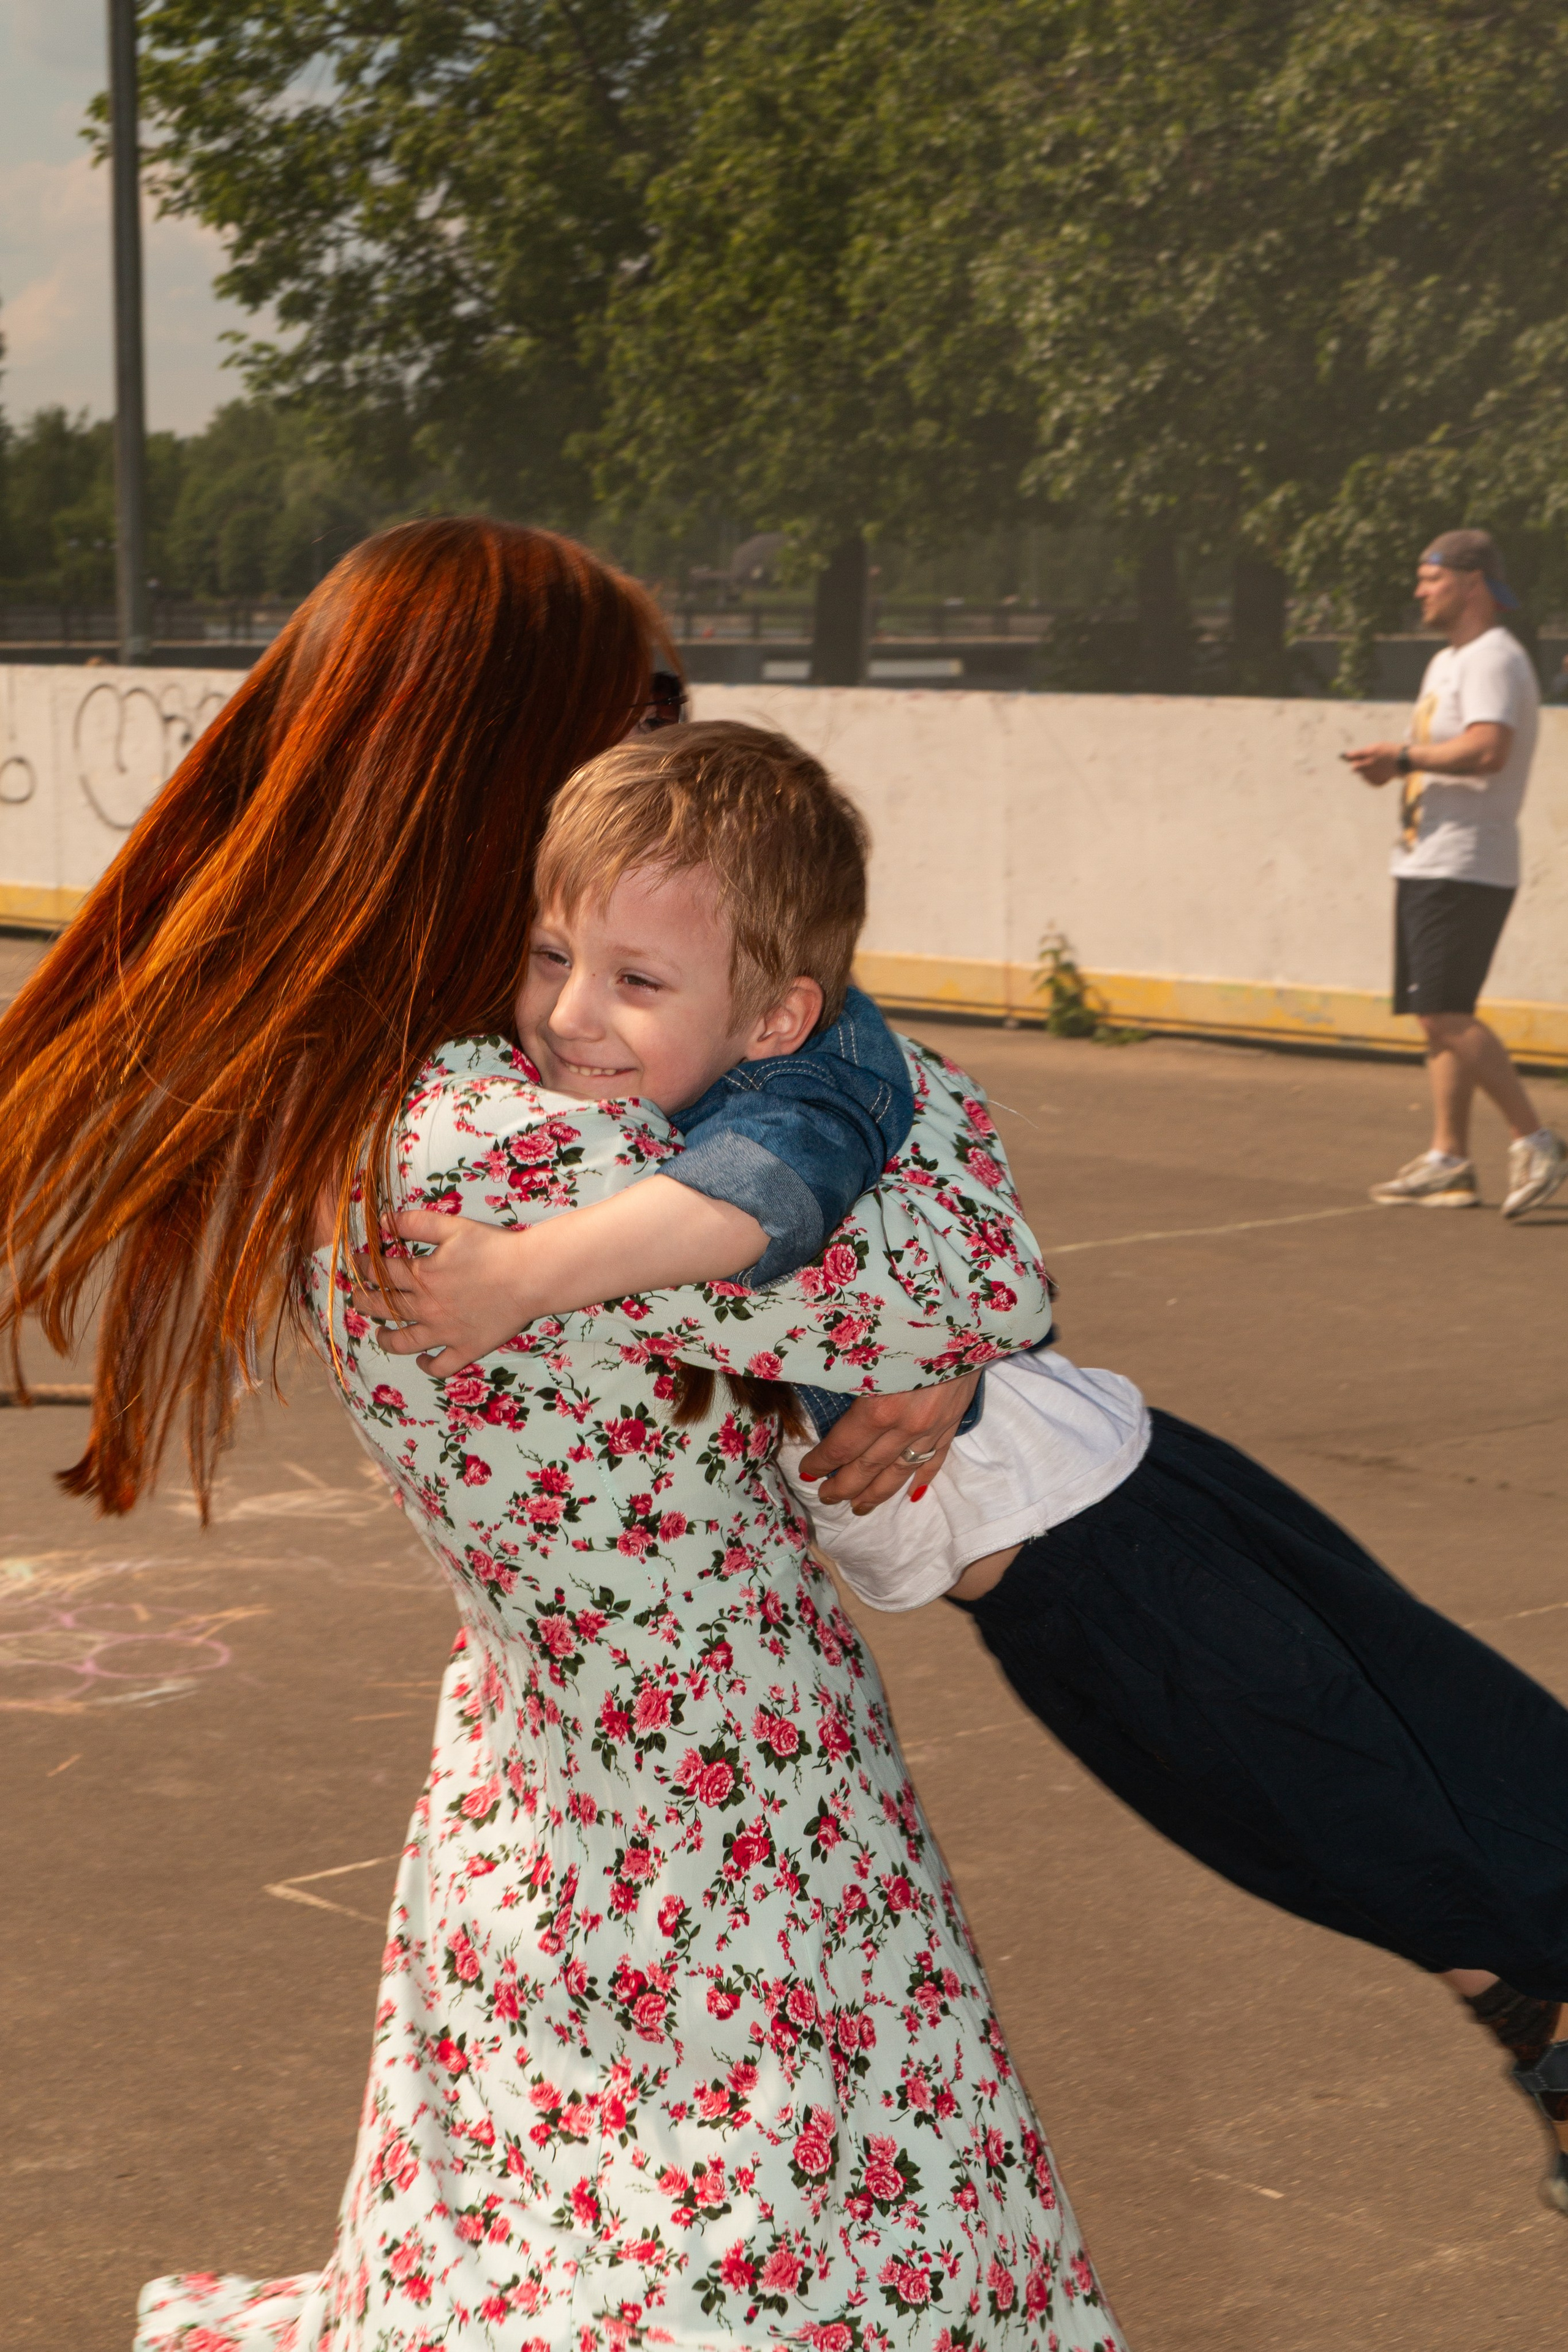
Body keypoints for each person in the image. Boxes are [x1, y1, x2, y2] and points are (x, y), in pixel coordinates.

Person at [0, 529, 1123, 2349]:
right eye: (648, 718)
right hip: (716, 1858)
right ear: (510, 773)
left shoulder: (439, 1098)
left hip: (567, 1807)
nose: (671, 762)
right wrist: (917, 1245)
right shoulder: (519, 1150)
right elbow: (958, 1262)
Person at [374, 720, 1568, 2223]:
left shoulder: (771, 1104)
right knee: (1361, 1781)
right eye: (550, 956)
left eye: (632, 979)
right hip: (1083, 1526)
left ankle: (1541, 2015)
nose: (567, 1016)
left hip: (1091, 1541)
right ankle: (1532, 2017)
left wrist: (523, 1274)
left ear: (774, 1011)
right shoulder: (772, 1052)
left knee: (1350, 1781)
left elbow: (754, 1206)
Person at [1344, 528, 1566, 1217]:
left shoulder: (1493, 658)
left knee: (1442, 1011)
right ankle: (1449, 1160)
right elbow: (1447, 751)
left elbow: (1487, 749)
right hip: (1428, 857)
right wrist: (1395, 769)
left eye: (1429, 578)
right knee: (1436, 1016)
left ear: (1470, 584)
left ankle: (1536, 1139)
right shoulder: (1448, 661)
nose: (1419, 590)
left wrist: (1404, 759)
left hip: (1464, 862)